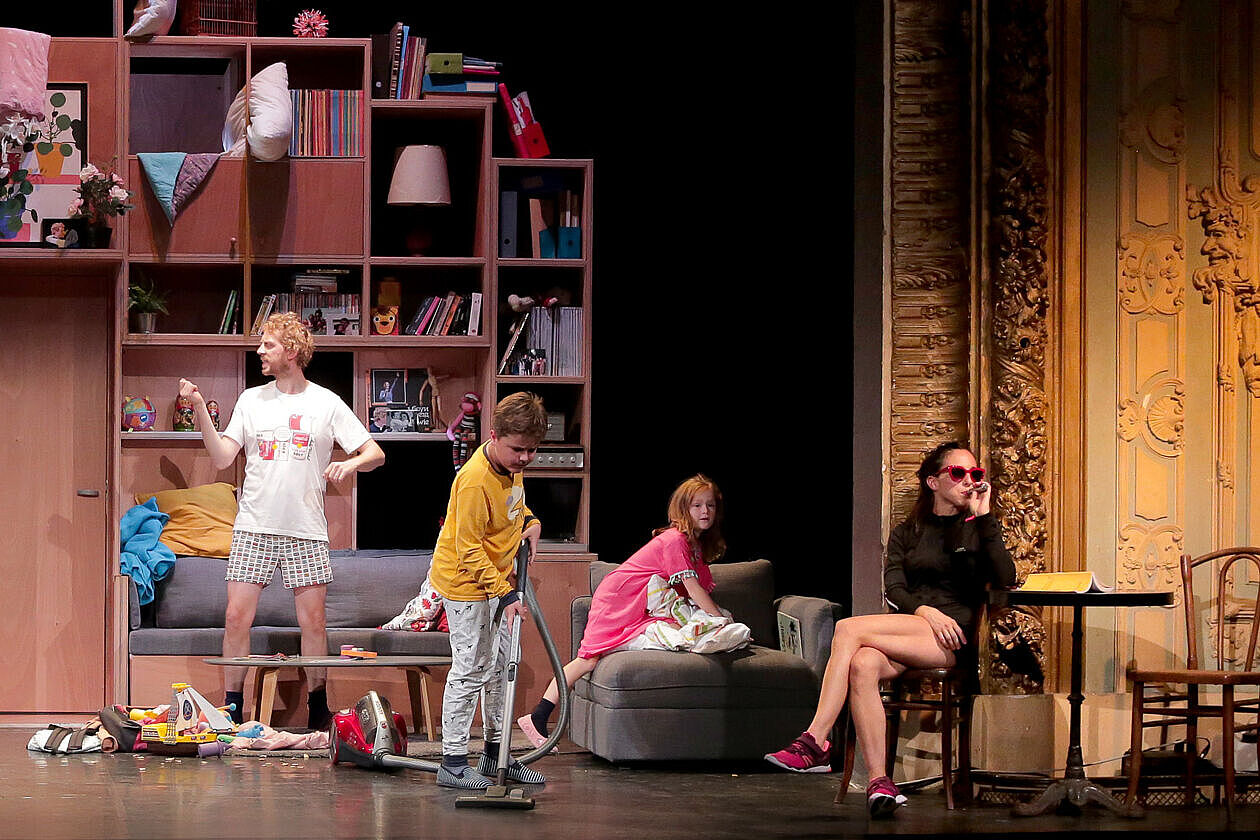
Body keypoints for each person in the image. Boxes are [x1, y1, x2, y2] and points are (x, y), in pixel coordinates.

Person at [763, 441, 1015, 818]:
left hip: (951, 637)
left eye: (974, 474)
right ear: (933, 481)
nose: (969, 481)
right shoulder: (908, 532)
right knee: (863, 663)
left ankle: (816, 740)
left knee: (847, 629)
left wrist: (984, 516)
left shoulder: (978, 529)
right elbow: (895, 588)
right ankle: (880, 782)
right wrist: (926, 611)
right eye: (958, 472)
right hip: (914, 627)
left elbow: (1005, 577)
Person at [179, 312, 386, 730]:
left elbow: (375, 453)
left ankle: (318, 706)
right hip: (254, 525)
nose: (260, 351)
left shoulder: (326, 402)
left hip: (305, 529)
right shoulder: (251, 400)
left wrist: (349, 464)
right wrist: (200, 407)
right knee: (236, 618)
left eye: (268, 344)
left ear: (290, 351)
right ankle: (233, 705)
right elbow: (222, 457)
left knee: (314, 622)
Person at [517, 474, 729, 749]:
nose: (705, 511)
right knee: (588, 659)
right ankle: (537, 717)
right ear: (683, 509)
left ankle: (537, 717)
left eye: (710, 505)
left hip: (641, 601)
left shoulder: (696, 546)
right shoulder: (675, 540)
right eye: (697, 505)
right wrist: (720, 620)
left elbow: (698, 589)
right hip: (619, 598)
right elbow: (693, 587)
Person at [429, 392, 547, 790]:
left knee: (501, 669)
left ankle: (497, 755)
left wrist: (531, 522)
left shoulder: (512, 468)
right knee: (471, 669)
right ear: (494, 436)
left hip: (496, 582)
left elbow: (514, 507)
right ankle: (452, 762)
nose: (525, 458)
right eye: (518, 449)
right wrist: (506, 593)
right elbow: (468, 548)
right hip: (465, 584)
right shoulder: (474, 480)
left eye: (531, 450)